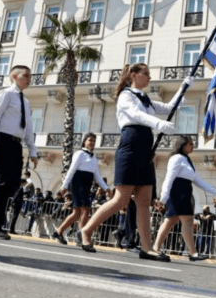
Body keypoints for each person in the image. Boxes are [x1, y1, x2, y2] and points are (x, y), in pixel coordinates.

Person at [80, 63, 190, 261]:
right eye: (145, 74)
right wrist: (158, 123)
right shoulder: (126, 95)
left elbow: (169, 108)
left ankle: (147, 248)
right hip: (130, 145)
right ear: (133, 75)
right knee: (121, 199)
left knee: (144, 201)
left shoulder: (145, 98)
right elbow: (136, 115)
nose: (149, 77)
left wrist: (183, 88)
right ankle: (86, 231)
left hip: (145, 147)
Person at [0, 65, 38, 240]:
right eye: (25, 76)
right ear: (14, 76)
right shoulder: (5, 94)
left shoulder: (25, 101)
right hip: (1, 141)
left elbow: (28, 127)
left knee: (13, 186)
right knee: (3, 182)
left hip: (15, 144)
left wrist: (32, 150)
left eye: (30, 76)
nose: (29, 79)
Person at [153, 135, 216, 261]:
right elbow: (169, 178)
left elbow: (197, 180)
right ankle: (193, 253)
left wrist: (215, 192)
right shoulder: (176, 158)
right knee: (186, 221)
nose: (192, 146)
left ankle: (156, 248)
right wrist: (163, 198)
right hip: (177, 192)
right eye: (190, 144)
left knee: (170, 221)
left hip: (185, 192)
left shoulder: (186, 159)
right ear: (182, 145)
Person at [52, 132, 109, 246]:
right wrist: (64, 186)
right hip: (78, 183)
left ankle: (58, 232)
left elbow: (97, 175)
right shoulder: (79, 154)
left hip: (87, 185)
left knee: (77, 212)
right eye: (90, 140)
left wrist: (107, 188)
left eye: (93, 140)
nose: (92, 142)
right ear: (84, 141)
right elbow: (71, 170)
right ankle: (81, 236)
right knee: (86, 209)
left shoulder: (94, 158)